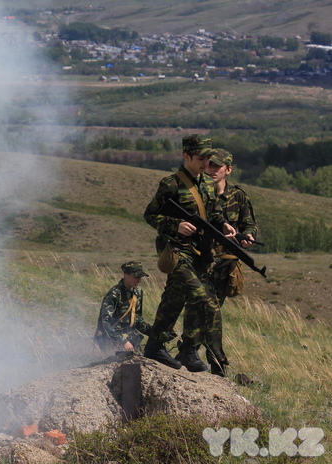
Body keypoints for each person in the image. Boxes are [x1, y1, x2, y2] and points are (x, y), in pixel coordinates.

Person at [143, 134, 236, 371]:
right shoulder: (171, 184)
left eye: (208, 158)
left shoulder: (206, 182)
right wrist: (175, 225)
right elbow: (150, 215)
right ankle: (216, 361)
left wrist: (223, 224)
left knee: (174, 299)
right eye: (200, 158)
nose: (206, 163)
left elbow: (213, 213)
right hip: (177, 250)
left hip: (199, 251)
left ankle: (159, 347)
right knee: (202, 299)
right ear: (186, 156)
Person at [203, 148, 258, 376]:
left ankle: (214, 363)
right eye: (209, 165)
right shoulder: (198, 193)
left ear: (228, 169)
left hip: (224, 265)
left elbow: (249, 225)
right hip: (198, 259)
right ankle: (205, 359)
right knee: (203, 309)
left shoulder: (238, 196)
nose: (212, 170)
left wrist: (248, 237)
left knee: (211, 310)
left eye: (217, 166)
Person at [93, 261, 153, 354]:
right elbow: (106, 323)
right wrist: (123, 341)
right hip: (111, 339)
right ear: (126, 275)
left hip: (131, 339)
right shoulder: (114, 294)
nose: (139, 280)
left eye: (140, 277)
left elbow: (137, 320)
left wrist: (155, 333)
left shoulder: (137, 292)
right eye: (136, 277)